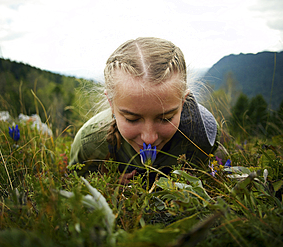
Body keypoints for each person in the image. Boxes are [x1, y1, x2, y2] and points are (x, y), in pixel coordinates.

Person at [69, 37, 219, 184]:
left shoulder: (202, 136)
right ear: (111, 103)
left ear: (183, 101)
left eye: (166, 118)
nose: (149, 138)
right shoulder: (89, 143)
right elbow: (72, 182)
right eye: (132, 119)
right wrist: (104, 183)